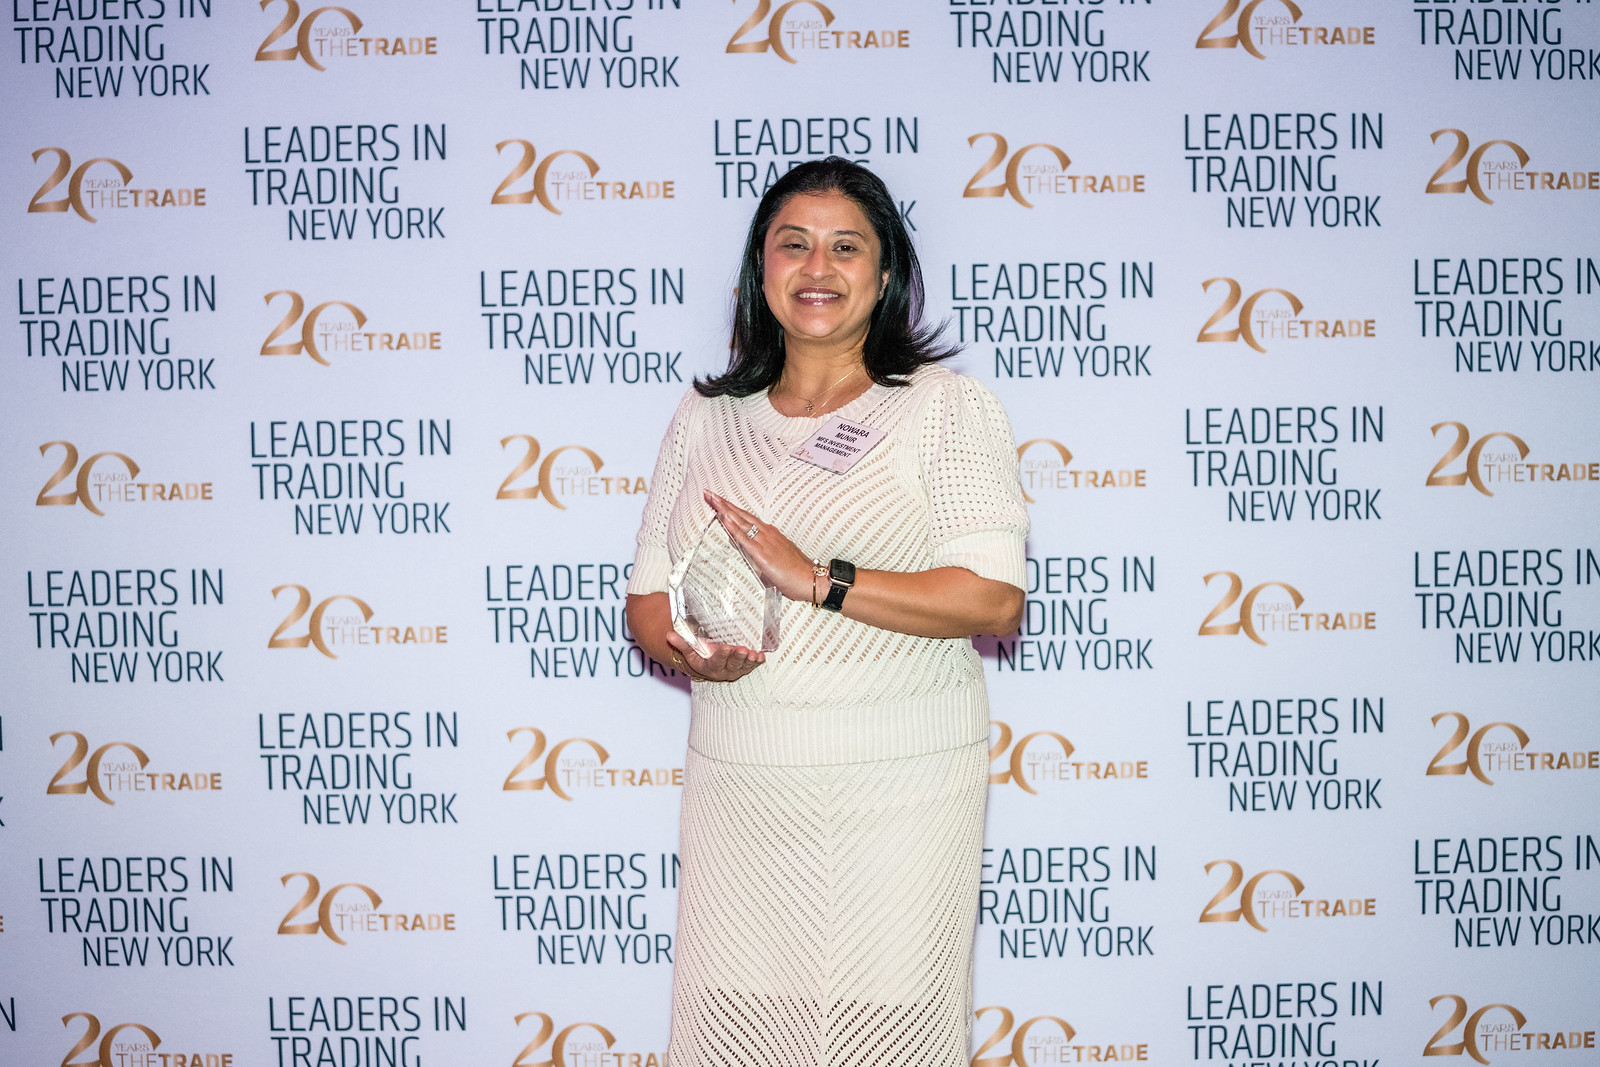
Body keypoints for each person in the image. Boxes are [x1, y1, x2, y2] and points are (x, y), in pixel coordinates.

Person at [624, 157, 1030, 1067]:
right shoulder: (705, 416)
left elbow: (994, 596)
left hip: (899, 796)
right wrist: (690, 651)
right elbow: (647, 598)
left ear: (884, 277)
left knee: (886, 1040)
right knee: (736, 1038)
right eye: (794, 244)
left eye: (847, 247)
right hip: (741, 794)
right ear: (759, 270)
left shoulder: (944, 409)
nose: (818, 267)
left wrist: (817, 578)